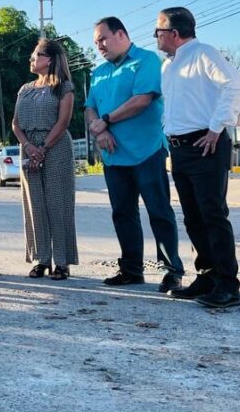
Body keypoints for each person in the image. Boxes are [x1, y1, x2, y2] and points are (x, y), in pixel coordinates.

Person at [155, 6, 240, 309]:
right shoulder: (168, 66)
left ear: (174, 33)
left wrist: (216, 127)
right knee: (193, 217)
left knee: (212, 214)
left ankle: (228, 285)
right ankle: (206, 277)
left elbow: (237, 86)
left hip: (205, 144)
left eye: (158, 31)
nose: (156, 37)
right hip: (180, 148)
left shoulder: (204, 54)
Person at [86, 17, 185, 292]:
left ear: (120, 34)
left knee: (159, 212)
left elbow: (141, 100)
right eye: (96, 42)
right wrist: (100, 131)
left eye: (103, 39)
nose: (99, 46)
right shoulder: (99, 72)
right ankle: (131, 270)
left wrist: (106, 120)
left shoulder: (146, 60)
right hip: (113, 155)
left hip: (146, 152)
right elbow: (89, 108)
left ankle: (171, 271)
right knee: (122, 213)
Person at [11, 39, 77, 280]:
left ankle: (62, 261)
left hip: (56, 147)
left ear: (49, 60)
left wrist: (43, 148)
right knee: (34, 205)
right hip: (28, 148)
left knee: (58, 205)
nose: (32, 58)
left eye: (36, 55)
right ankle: (41, 259)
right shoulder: (24, 89)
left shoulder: (64, 87)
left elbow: (63, 122)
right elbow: (15, 124)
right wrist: (29, 147)